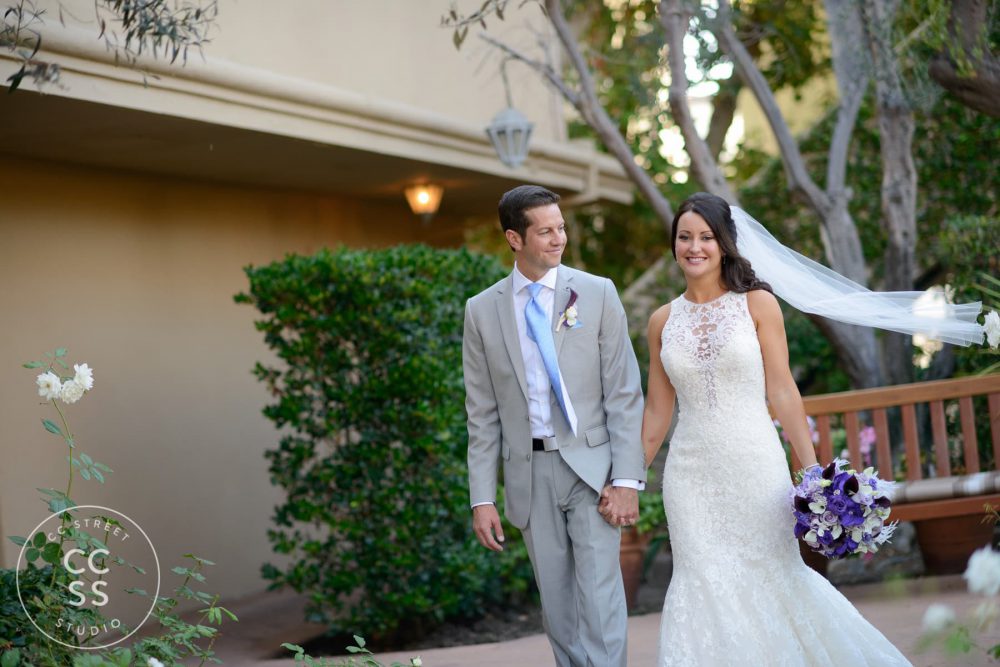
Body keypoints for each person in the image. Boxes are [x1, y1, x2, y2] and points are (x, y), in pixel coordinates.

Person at [636, 192, 913, 666]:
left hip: (754, 463)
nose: (694, 247)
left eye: (706, 237)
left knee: (774, 573)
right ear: (674, 244)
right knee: (699, 580)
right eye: (685, 237)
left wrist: (814, 475)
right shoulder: (661, 321)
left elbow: (783, 391)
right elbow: (658, 413)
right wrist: (626, 478)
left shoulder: (758, 304)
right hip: (690, 475)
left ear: (724, 244)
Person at [463, 184, 645, 667]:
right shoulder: (481, 310)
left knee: (602, 595)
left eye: (561, 227)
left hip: (592, 467)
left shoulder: (597, 293)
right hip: (529, 472)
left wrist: (626, 479)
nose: (558, 238)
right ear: (514, 238)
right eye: (545, 231)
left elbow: (624, 392)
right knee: (557, 606)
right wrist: (482, 497)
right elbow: (481, 413)